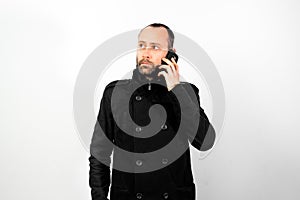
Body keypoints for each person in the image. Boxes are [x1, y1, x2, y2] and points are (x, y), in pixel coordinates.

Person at [89, 23, 216, 200]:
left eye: (155, 47)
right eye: (142, 45)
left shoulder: (186, 93)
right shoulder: (115, 93)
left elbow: (205, 142)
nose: (145, 53)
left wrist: (176, 90)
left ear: (171, 54)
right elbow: (99, 154)